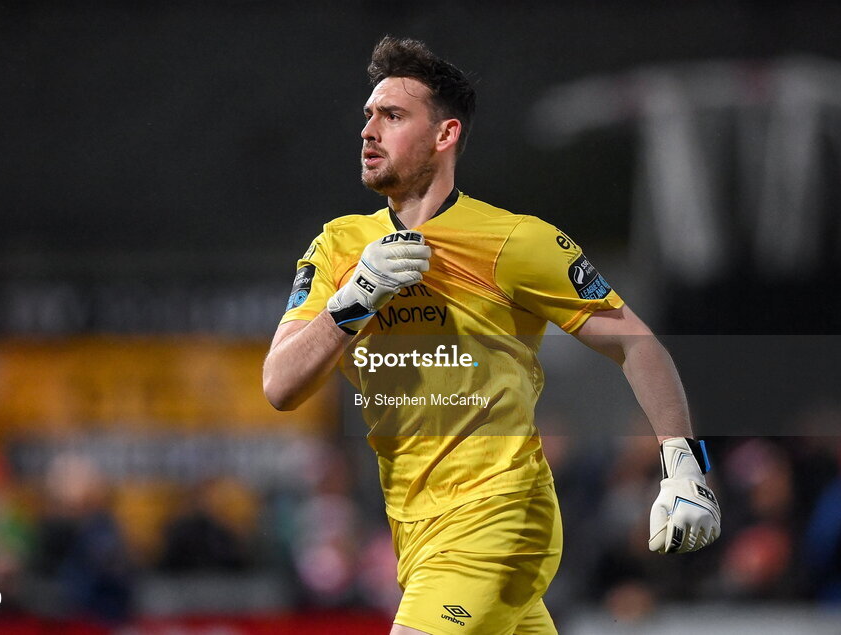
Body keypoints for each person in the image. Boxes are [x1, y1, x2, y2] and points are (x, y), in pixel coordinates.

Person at [263, 36, 720, 635]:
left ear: (445, 135)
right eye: (369, 115)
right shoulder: (338, 248)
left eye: (393, 116)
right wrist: (349, 307)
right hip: (415, 528)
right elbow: (279, 385)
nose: (370, 130)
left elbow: (635, 342)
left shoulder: (516, 241)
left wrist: (684, 465)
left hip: (499, 513)